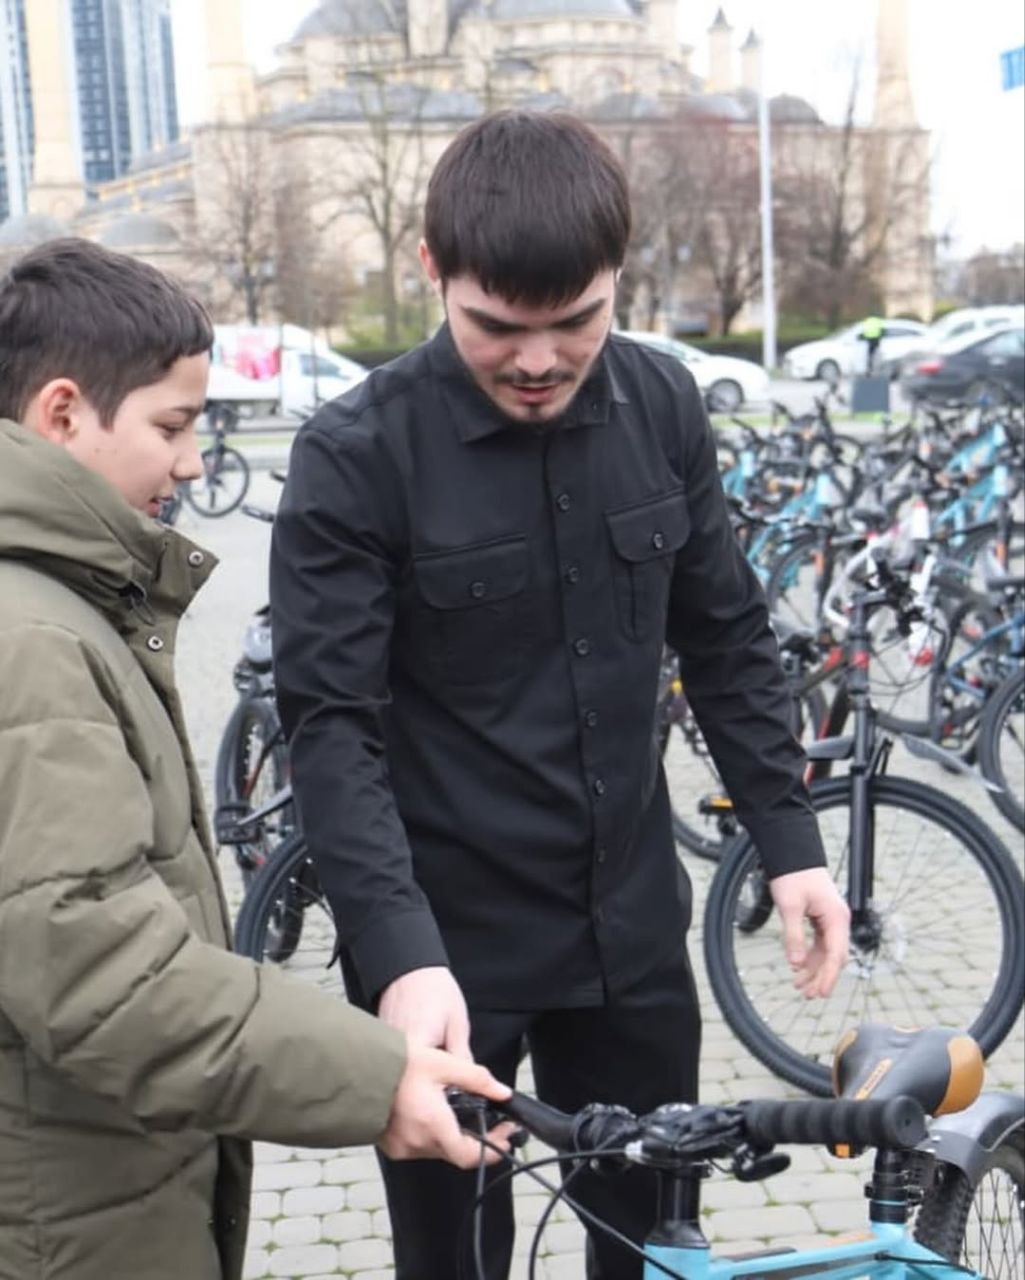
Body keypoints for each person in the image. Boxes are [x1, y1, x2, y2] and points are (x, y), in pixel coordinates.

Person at [270, 110, 850, 1279]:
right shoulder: (353, 454)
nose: (536, 359)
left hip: (629, 938)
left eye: (574, 321)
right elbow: (331, 731)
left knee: (644, 1249)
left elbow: (726, 635)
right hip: (446, 955)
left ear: (618, 276)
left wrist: (789, 844)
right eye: (496, 327)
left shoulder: (664, 405)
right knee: (454, 1264)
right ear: (431, 268)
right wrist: (396, 954)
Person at [0, 238, 511, 1280]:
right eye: (172, 426)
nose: (192, 463)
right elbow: (99, 970)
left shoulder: (58, 604)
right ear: (61, 414)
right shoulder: (31, 639)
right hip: (72, 1213)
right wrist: (372, 1074)